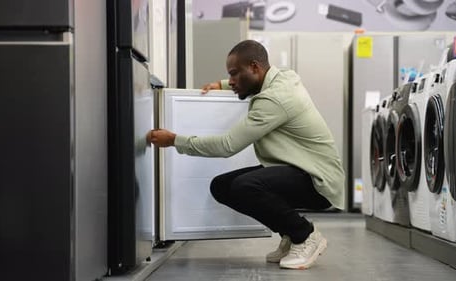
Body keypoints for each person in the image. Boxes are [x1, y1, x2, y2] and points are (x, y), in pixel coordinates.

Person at [147, 40, 345, 270]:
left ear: (254, 67)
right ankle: (290, 234)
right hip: (299, 168)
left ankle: (305, 235)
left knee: (245, 187)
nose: (231, 81)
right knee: (221, 186)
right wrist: (222, 84)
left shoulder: (275, 99)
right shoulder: (282, 77)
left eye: (234, 74)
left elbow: (227, 145)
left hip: (318, 180)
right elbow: (254, 81)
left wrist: (174, 140)